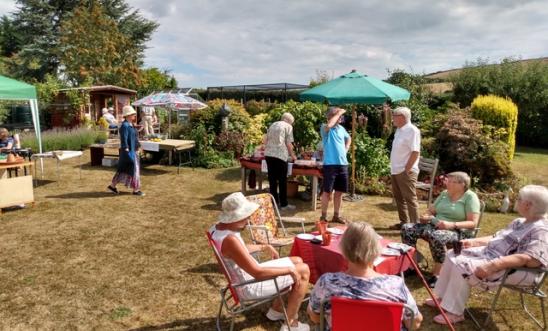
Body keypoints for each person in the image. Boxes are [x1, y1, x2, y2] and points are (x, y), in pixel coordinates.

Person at [426, 184, 548, 325]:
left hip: (517, 269)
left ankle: (455, 312)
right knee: (452, 253)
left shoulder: (541, 230)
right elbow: (496, 237)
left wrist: (493, 265)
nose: (517, 201)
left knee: (462, 265)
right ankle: (443, 298)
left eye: (519, 199)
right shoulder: (519, 222)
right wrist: (472, 242)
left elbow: (531, 260)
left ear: (527, 205)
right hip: (492, 256)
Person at [209, 192, 310, 331]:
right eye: (245, 215)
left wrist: (264, 246)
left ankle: (277, 311)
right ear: (234, 218)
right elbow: (257, 273)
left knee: (296, 260)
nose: (249, 218)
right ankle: (291, 324)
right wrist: (289, 270)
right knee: (303, 270)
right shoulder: (230, 240)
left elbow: (238, 251)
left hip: (244, 278)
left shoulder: (217, 229)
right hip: (248, 286)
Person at [307, 222, 422, 331]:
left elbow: (315, 317)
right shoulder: (395, 285)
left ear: (344, 250)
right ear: (376, 250)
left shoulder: (327, 283)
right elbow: (414, 322)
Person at [401, 171, 481, 287]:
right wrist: (425, 216)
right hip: (435, 225)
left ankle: (438, 275)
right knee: (407, 228)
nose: (446, 183)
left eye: (450, 181)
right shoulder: (444, 194)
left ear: (462, 184)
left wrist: (452, 225)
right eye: (447, 180)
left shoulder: (470, 197)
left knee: (437, 236)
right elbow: (431, 210)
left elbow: (473, 223)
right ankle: (412, 266)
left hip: (458, 231)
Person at [389, 106, 421, 230]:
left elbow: (415, 152)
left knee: (410, 199)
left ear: (402, 117)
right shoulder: (399, 130)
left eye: (394, 116)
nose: (392, 119)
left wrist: (406, 169)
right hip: (395, 170)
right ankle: (404, 223)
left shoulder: (412, 130)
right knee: (399, 198)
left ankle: (415, 227)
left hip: (405, 171)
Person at [320, 107, 351, 224]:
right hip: (330, 165)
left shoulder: (341, 128)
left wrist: (346, 148)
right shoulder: (325, 127)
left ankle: (336, 216)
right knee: (327, 192)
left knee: (339, 192)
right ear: (331, 117)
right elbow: (329, 125)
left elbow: (349, 138)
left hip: (342, 164)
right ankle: (323, 217)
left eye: (341, 116)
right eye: (338, 116)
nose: (341, 118)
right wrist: (339, 113)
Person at [107, 105, 145, 196]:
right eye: (132, 114)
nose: (134, 116)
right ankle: (136, 190)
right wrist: (127, 150)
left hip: (133, 150)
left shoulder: (130, 124)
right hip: (128, 152)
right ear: (128, 115)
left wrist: (138, 146)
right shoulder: (125, 126)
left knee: (124, 170)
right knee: (132, 169)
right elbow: (124, 139)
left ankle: (112, 186)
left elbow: (133, 137)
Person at [264, 112, 298, 210]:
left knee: (272, 180)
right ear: (289, 121)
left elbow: (265, 140)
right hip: (280, 155)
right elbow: (288, 144)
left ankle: (273, 203)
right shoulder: (288, 126)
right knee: (282, 180)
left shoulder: (273, 124)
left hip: (269, 154)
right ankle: (284, 204)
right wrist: (293, 155)